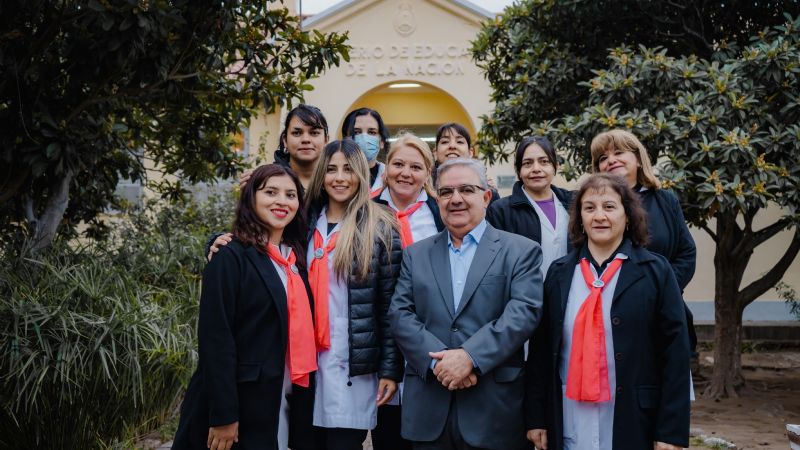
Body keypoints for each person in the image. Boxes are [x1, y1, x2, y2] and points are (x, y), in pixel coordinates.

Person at [525, 173, 690, 450]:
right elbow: (541, 351)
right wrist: (536, 416)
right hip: (569, 412)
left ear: (628, 216)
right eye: (589, 208)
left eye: (609, 207)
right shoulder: (560, 274)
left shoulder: (655, 272)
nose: (599, 216)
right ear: (579, 219)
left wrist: (670, 430)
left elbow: (675, 354)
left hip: (633, 417)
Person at [390, 158, 544, 450]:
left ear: (486, 197)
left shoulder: (521, 251)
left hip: (493, 410)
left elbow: (523, 313)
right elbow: (400, 314)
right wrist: (441, 365)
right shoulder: (416, 255)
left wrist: (470, 357)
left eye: (466, 190)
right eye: (446, 192)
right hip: (428, 409)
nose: (456, 199)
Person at [173, 164, 316, 450]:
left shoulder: (296, 261)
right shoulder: (230, 256)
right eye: (270, 192)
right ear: (251, 197)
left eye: (290, 195)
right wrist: (224, 415)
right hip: (243, 403)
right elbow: (216, 338)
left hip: (287, 395)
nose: (281, 201)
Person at [305, 139, 403, 450]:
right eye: (331, 169)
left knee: (344, 443)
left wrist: (390, 369)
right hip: (305, 365)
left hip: (354, 367)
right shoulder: (303, 222)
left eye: (348, 169)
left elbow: (392, 307)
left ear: (362, 174)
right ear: (321, 175)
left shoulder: (381, 226)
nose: (339, 177)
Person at [590, 129, 698, 355]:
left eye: (619, 152)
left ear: (638, 159)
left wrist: (661, 291)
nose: (611, 160)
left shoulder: (665, 200)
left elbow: (686, 253)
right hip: (609, 315)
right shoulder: (591, 208)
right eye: (603, 158)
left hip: (662, 312)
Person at [371, 132, 444, 450]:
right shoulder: (365, 210)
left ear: (428, 173)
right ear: (386, 168)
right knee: (389, 432)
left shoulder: (441, 213)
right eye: (398, 164)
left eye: (416, 167)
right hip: (382, 335)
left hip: (431, 333)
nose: (405, 173)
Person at [487, 136, 571, 276]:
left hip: (569, 293)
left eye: (544, 162)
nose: (536, 169)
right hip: (525, 294)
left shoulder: (573, 203)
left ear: (556, 167)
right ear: (519, 170)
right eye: (527, 163)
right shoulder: (500, 210)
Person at [433, 123, 500, 202]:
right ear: (435, 153)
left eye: (459, 142)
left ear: (470, 152)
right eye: (445, 142)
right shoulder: (422, 188)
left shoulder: (486, 190)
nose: (452, 146)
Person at [273, 104, 330, 188]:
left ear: (326, 140)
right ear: (285, 140)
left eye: (314, 133)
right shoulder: (267, 178)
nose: (305, 139)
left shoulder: (336, 182)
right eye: (297, 133)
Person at [341, 107, 390, 196]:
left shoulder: (391, 177)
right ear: (345, 139)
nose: (364, 138)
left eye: (372, 132)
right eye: (356, 132)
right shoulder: (335, 177)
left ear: (382, 142)